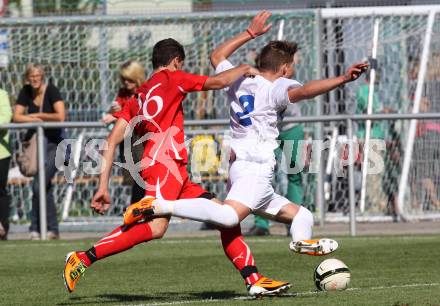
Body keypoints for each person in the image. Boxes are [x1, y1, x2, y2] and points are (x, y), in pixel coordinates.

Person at [63, 38, 290, 297]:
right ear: (176, 62)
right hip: (163, 167)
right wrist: (244, 68)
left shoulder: (138, 95)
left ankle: (254, 279)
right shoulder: (174, 78)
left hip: (175, 172)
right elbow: (218, 82)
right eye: (180, 64)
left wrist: (102, 185)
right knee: (156, 228)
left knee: (225, 217)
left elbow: (111, 140)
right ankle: (83, 258)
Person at [147, 11, 367, 255]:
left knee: (302, 215)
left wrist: (249, 33)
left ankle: (300, 242)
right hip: (255, 167)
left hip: (243, 167)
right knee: (228, 217)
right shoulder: (276, 86)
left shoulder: (239, 77)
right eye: (292, 66)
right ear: (284, 68)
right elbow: (305, 91)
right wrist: (344, 78)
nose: (293, 71)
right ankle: (160, 205)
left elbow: (216, 55)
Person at [13, 63, 65, 240]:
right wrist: (33, 118)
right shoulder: (26, 91)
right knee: (43, 185)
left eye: (37, 76)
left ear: (42, 76)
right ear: (27, 77)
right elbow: (16, 116)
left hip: (56, 145)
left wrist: (39, 117)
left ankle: (37, 226)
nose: (34, 79)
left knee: (40, 183)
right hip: (37, 144)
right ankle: (49, 229)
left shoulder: (51, 90)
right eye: (31, 76)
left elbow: (60, 116)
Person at [102, 60, 146, 204]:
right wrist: (112, 112)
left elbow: (139, 114)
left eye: (130, 79)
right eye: (124, 79)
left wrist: (117, 115)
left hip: (142, 140)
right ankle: (137, 210)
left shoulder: (145, 92)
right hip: (127, 141)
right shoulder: (123, 93)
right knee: (134, 179)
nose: (126, 82)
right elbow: (119, 111)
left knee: (143, 176)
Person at [0, 88, 12, 240]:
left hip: (1, 152)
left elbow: (6, 117)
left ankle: (3, 228)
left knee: (0, 191)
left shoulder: (2, 94)